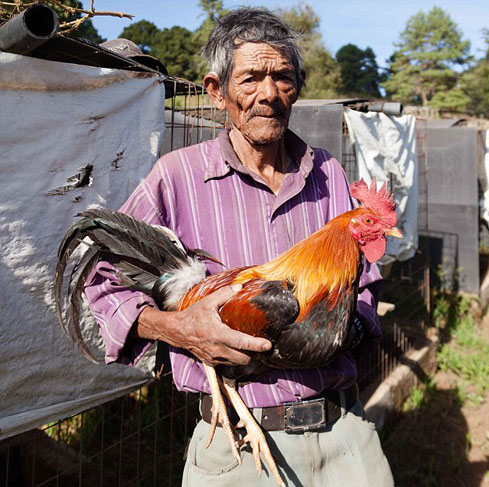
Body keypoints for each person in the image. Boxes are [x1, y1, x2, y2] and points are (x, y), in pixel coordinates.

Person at [84, 7, 394, 486]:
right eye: (251, 78)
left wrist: (351, 324)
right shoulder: (177, 175)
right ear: (217, 90)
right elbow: (100, 280)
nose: (268, 94)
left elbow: (366, 287)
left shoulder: (330, 172)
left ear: (298, 87)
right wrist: (176, 327)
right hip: (237, 446)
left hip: (345, 433)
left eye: (283, 77)